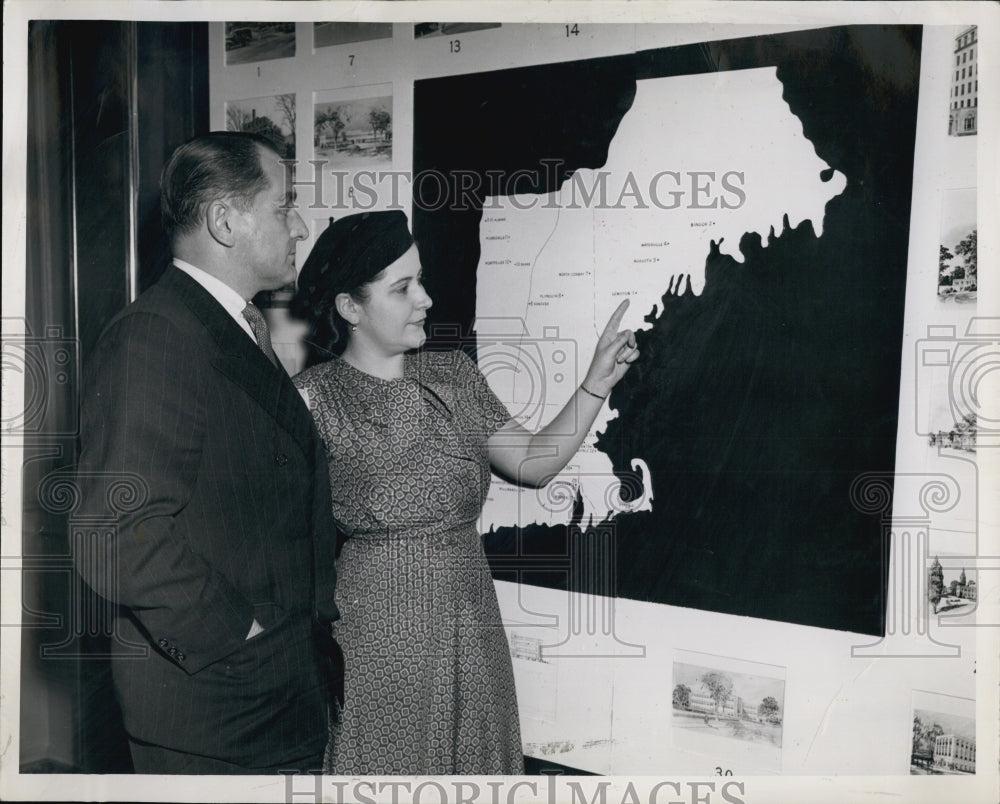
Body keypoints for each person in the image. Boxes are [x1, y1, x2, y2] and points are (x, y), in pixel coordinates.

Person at [291, 210, 639, 775]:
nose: (425, 298)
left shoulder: (454, 375)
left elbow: (534, 462)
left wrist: (595, 383)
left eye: (421, 280)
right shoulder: (310, 399)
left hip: (471, 618)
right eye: (403, 288)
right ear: (350, 307)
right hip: (380, 636)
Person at [74, 131, 342, 774]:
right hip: (221, 712)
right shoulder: (156, 337)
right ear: (226, 220)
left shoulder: (229, 324)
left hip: (272, 700)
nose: (300, 225)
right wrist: (238, 632)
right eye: (284, 206)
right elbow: (111, 532)